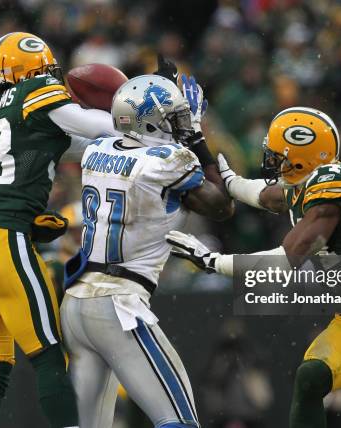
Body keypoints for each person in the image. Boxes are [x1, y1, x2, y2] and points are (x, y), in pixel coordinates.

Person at [166, 107, 341, 428]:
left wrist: (213, 262)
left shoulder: (335, 185)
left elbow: (288, 258)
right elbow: (269, 197)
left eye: (279, 155)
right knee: (311, 377)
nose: (272, 161)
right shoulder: (314, 181)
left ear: (302, 155)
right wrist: (231, 181)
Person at [0, 32, 118, 428]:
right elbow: (89, 126)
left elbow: (67, 144)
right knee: (49, 356)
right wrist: (137, 118)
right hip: (1, 241)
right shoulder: (36, 90)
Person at [60, 74, 233, 428]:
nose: (182, 124)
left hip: (76, 305)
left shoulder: (97, 150)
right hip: (119, 305)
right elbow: (222, 206)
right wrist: (198, 141)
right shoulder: (167, 161)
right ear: (152, 120)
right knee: (178, 420)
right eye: (175, 116)